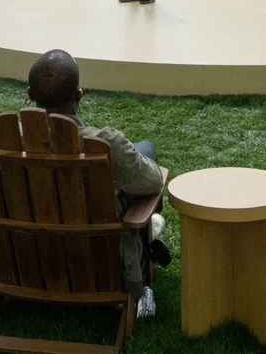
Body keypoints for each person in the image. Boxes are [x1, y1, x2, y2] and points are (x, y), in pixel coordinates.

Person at [25, 49, 168, 314]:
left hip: (27, 260)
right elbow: (153, 183)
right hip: (98, 259)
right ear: (79, 93)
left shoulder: (0, 141)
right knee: (145, 151)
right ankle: (146, 237)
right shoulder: (105, 144)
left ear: (31, 94)